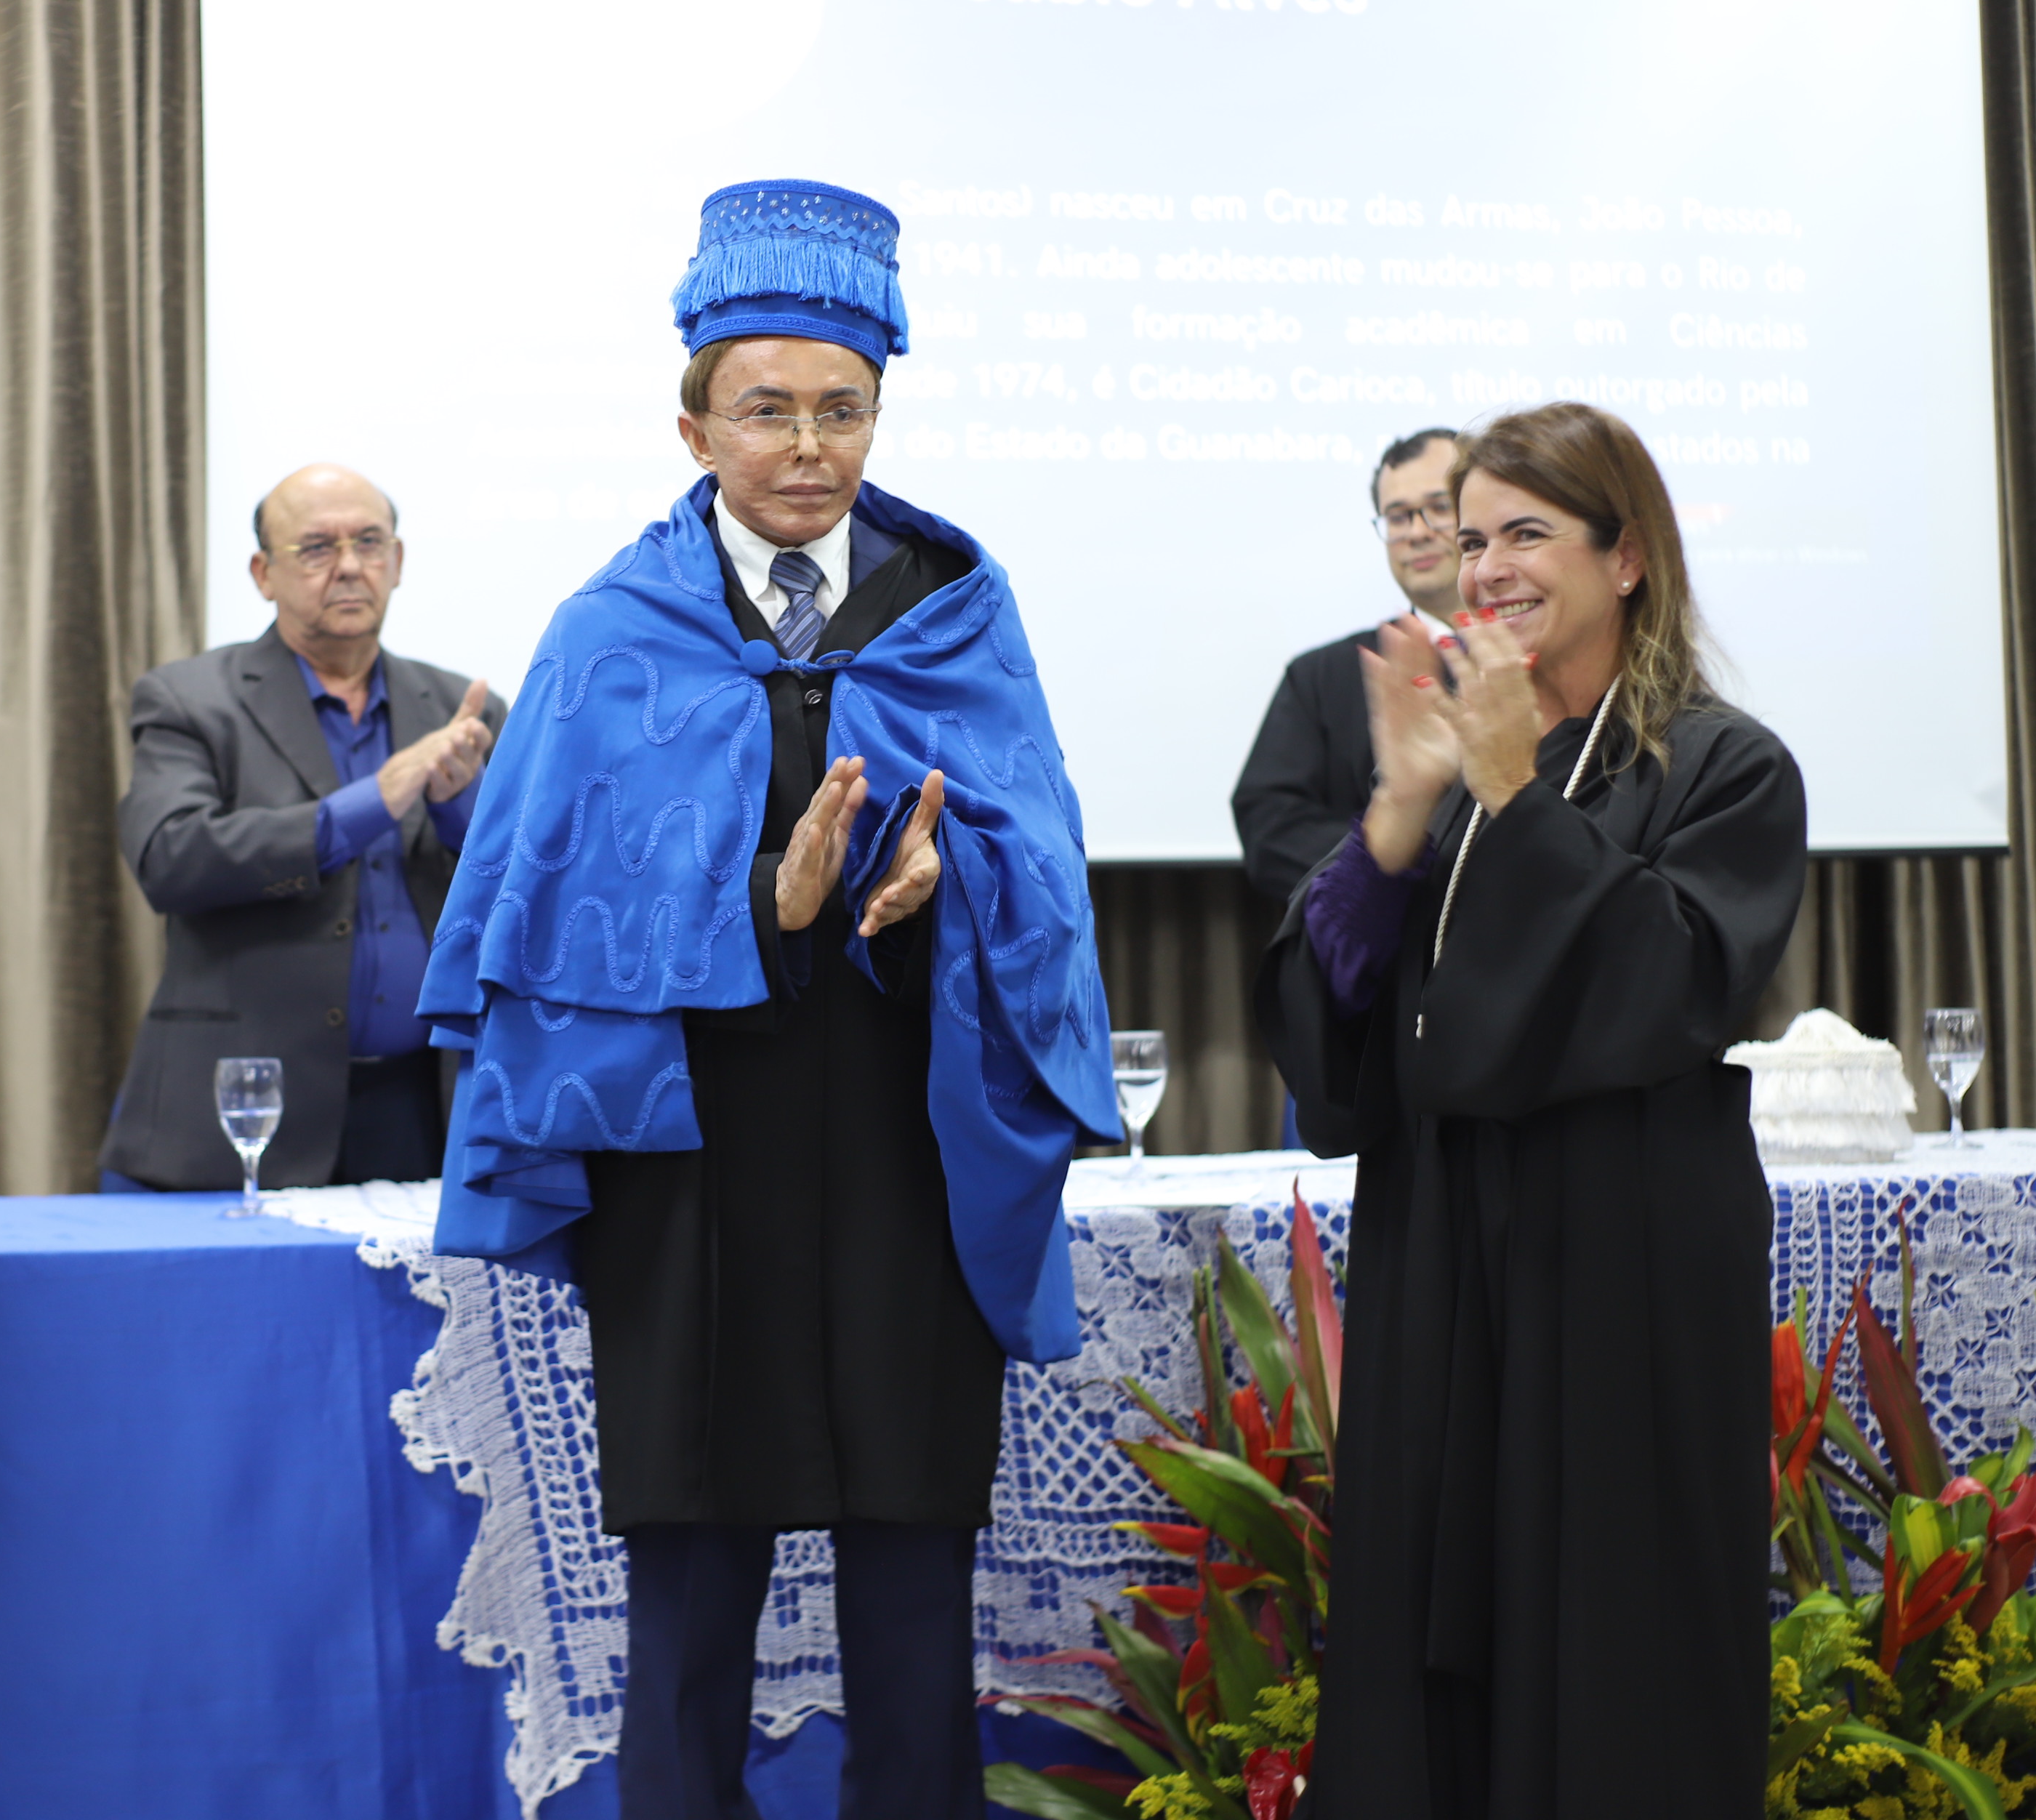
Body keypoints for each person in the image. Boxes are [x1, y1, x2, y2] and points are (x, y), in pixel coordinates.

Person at [417, 180, 1117, 1819]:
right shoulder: (612, 633)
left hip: (898, 1146)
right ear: (692, 424)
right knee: (693, 1590)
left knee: (906, 1568)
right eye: (767, 411)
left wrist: (934, 900)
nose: (807, 446)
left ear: (879, 408)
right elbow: (548, 914)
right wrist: (763, 905)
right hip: (696, 1174)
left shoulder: (957, 607)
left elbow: (1042, 859)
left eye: (841, 410)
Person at [1254, 402, 1806, 1817]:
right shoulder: (1459, 775)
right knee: (1431, 1655)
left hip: (1612, 1264)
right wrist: (1395, 808)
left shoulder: (1721, 765)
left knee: (1613, 1655)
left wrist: (1505, 784)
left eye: (1526, 533)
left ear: (1626, 558)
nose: (1483, 563)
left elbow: (1668, 984)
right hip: (1446, 1259)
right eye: (1471, 533)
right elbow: (1347, 1024)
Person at [97, 464, 503, 1190]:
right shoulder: (190, 699)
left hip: (426, 1107)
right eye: (316, 547)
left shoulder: (460, 709)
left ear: (397, 560)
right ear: (262, 572)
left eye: (369, 542)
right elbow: (171, 857)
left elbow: (525, 889)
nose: (349, 566)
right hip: (243, 1111)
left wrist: (451, 806)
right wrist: (369, 801)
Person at [1231, 427, 1467, 912]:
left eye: (1439, 508)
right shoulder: (1322, 676)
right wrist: (1401, 857)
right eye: (1398, 516)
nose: (1418, 531)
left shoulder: (1547, 656)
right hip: (1381, 956)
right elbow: (1271, 827)